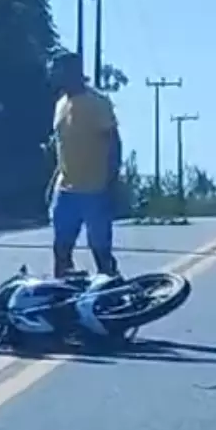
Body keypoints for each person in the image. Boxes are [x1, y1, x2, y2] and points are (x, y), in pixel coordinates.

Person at [47, 52, 122, 279]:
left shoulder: (97, 103)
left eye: (58, 70)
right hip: (66, 189)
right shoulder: (61, 104)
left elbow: (114, 143)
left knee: (100, 248)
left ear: (73, 73)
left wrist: (111, 179)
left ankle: (110, 289)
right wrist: (53, 182)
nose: (54, 75)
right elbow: (64, 148)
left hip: (95, 188)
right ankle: (61, 296)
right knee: (61, 248)